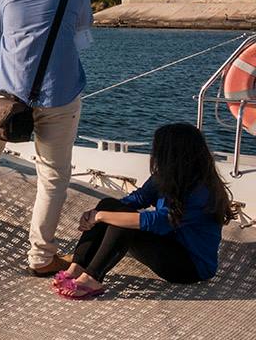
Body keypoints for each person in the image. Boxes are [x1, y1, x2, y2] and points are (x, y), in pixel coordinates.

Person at [0, 0, 94, 277]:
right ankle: (41, 255)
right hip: (60, 95)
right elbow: (82, 37)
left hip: (9, 97)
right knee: (53, 175)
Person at [55, 123, 235, 299]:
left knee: (124, 221)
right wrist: (97, 212)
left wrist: (101, 216)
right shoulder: (166, 176)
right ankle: (77, 267)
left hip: (190, 266)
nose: (154, 154)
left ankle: (92, 278)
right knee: (109, 204)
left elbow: (159, 221)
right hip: (167, 244)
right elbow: (138, 198)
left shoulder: (202, 191)